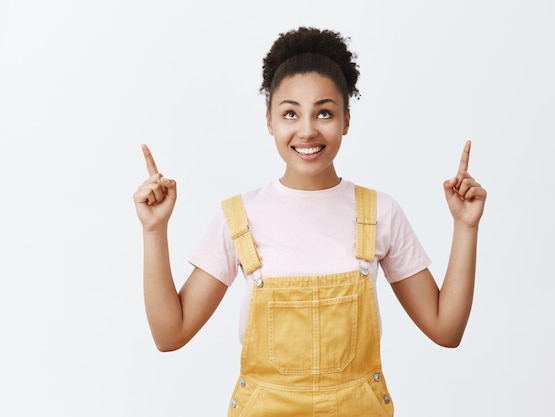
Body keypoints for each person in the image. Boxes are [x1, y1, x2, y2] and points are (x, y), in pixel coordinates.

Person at [133, 27, 486, 416]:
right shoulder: (239, 217)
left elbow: (445, 329)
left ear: (346, 119)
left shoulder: (380, 213)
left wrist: (466, 227)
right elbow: (170, 334)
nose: (307, 129)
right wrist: (154, 230)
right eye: (290, 113)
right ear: (269, 120)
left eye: (324, 112)